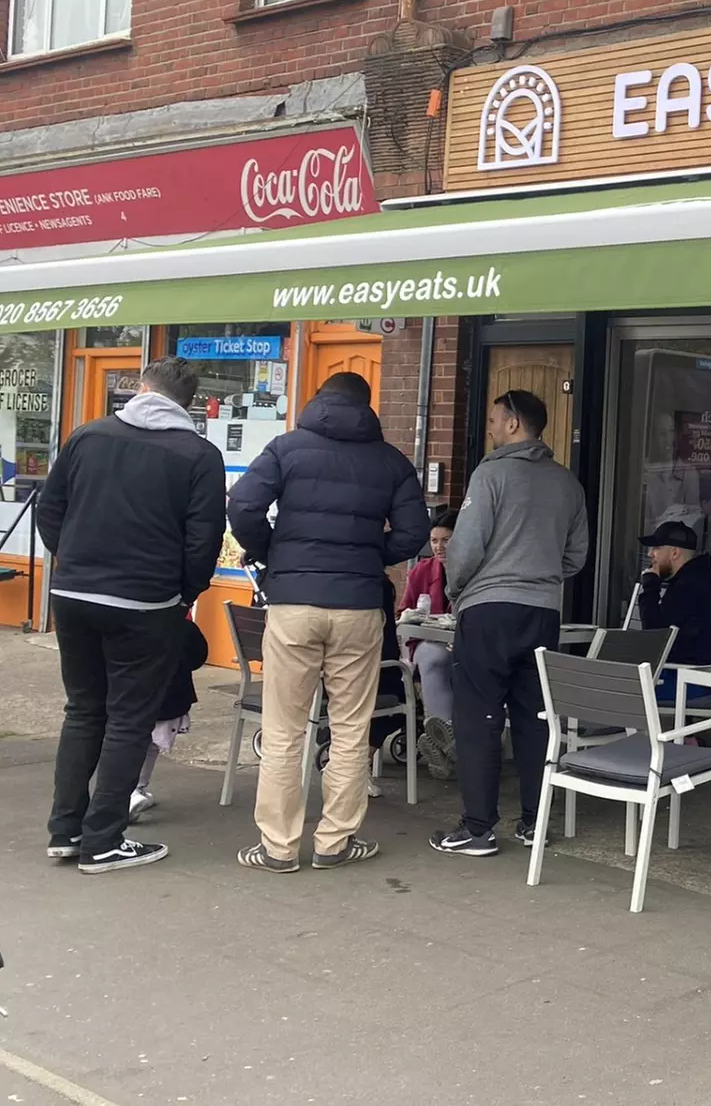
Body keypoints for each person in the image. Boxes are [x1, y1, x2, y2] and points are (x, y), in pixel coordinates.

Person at [227, 371, 428, 873]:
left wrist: (273, 552)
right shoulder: (391, 461)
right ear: (367, 406)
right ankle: (334, 843)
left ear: (319, 400)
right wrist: (369, 555)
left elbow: (243, 505)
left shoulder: (286, 448)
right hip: (358, 605)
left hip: (293, 603)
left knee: (283, 729)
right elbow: (414, 533)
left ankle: (277, 848)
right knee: (351, 728)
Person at [37, 357, 224, 874]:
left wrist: (73, 561)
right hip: (145, 603)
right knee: (128, 719)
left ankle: (66, 830)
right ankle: (103, 841)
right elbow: (203, 540)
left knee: (83, 710)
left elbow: (49, 510)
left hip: (73, 595)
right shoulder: (199, 455)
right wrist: (183, 595)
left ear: (141, 388)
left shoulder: (87, 436)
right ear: (188, 403)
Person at [432, 389, 589, 858]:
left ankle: (478, 828)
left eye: (495, 420)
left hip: (488, 609)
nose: (491, 428)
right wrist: (540, 575)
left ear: (515, 423)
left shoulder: (491, 474)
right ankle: (534, 823)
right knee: (535, 718)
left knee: (478, 717)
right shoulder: (567, 484)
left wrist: (457, 589)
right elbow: (576, 556)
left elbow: (465, 547)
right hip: (543, 612)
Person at [129, 609, 210, 823]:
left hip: (127, 696)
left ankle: (130, 791)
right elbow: (198, 656)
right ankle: (133, 791)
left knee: (127, 741)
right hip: (168, 698)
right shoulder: (182, 626)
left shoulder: (127, 621)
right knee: (150, 745)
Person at [630, 519, 711, 701]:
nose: (650, 554)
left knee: (614, 688)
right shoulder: (692, 581)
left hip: (686, 679)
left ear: (674, 552)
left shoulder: (687, 587)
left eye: (656, 548)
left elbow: (654, 636)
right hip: (689, 674)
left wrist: (650, 587)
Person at [404, 510, 459, 780]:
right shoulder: (421, 571)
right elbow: (404, 613)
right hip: (430, 643)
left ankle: (441, 744)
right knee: (433, 657)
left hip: (467, 644)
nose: (439, 547)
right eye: (434, 540)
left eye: (446, 540)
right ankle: (452, 741)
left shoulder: (478, 571)